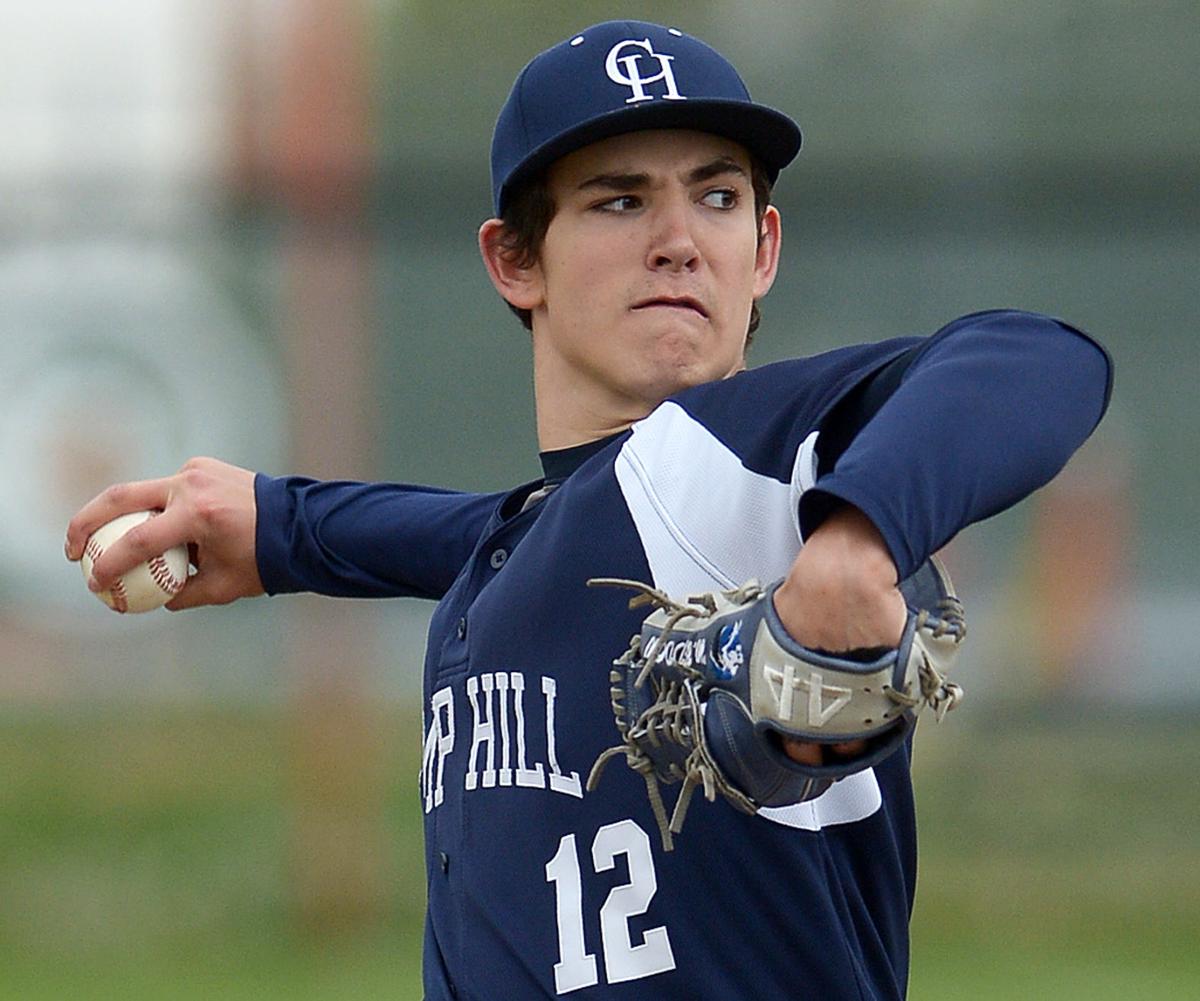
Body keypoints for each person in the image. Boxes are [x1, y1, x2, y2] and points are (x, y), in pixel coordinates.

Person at [66, 20, 1112, 1001]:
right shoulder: (536, 542)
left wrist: (855, 537)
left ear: (765, 248)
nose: (678, 240)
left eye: (716, 198)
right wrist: (282, 525)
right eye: (619, 200)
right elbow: (503, 533)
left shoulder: (755, 456)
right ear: (515, 260)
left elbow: (1033, 355)